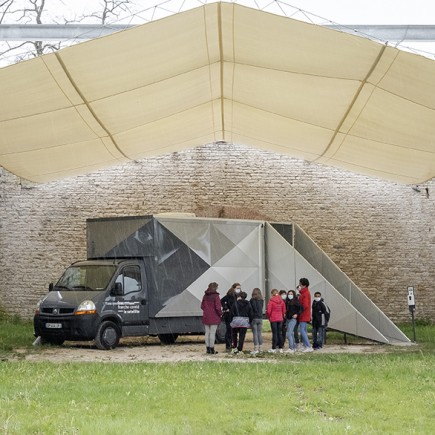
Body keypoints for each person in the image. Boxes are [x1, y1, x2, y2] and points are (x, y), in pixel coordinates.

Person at [200, 282, 222, 354]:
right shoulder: (216, 296)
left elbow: (202, 306)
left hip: (206, 316)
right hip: (214, 316)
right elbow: (218, 307)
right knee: (212, 333)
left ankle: (207, 349)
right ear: (215, 288)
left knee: (207, 333)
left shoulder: (205, 296)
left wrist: (207, 311)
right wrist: (220, 314)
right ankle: (212, 349)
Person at [221, 283, 241, 351]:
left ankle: (233, 344)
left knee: (234, 330)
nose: (239, 289)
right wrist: (225, 307)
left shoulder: (237, 296)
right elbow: (222, 300)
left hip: (234, 315)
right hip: (229, 315)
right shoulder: (229, 295)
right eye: (237, 288)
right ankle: (228, 344)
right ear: (234, 288)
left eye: (239, 288)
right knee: (229, 330)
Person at [266, 288, 286, 353]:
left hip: (273, 319)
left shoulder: (271, 301)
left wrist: (269, 317)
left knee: (274, 333)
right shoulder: (282, 301)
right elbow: (284, 310)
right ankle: (281, 348)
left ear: (272, 294)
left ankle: (273, 348)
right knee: (279, 333)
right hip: (280, 318)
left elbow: (268, 311)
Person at [297, 278, 313, 352]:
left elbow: (305, 305)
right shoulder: (304, 293)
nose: (299, 285)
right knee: (304, 330)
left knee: (302, 330)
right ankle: (305, 345)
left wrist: (300, 311)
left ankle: (308, 346)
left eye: (300, 283)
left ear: (304, 284)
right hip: (304, 314)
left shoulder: (305, 293)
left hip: (304, 314)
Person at [250, 287, 264, 355]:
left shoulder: (252, 300)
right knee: (259, 333)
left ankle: (256, 348)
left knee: (255, 334)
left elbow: (251, 309)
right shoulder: (261, 300)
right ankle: (261, 348)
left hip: (254, 318)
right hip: (260, 318)